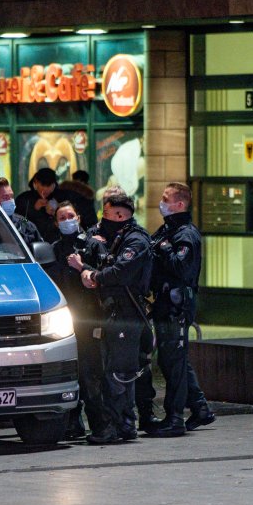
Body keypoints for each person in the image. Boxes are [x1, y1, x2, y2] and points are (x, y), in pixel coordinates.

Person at [70, 190, 152, 444]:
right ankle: (123, 424)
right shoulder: (122, 237)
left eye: (106, 214)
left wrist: (92, 276)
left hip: (127, 312)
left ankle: (118, 427)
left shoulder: (135, 240)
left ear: (119, 214)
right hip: (117, 311)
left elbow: (118, 272)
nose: (102, 219)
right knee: (117, 370)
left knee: (118, 372)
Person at [143, 182, 214, 437]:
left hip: (177, 306)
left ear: (180, 204)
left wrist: (163, 249)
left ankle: (175, 418)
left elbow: (180, 268)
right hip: (165, 303)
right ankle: (200, 407)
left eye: (166, 198)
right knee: (174, 359)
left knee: (173, 361)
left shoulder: (185, 234)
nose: (161, 202)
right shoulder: (167, 230)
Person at [44, 201, 106, 439]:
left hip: (90, 318)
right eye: (62, 217)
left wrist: (83, 267)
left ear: (79, 217)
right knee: (70, 371)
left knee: (91, 373)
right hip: (65, 319)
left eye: (71, 215)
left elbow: (104, 277)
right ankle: (73, 423)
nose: (67, 220)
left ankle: (99, 424)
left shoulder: (92, 245)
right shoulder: (53, 249)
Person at [15, 168, 97, 243]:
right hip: (33, 244)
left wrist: (57, 211)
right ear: (36, 182)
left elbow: (87, 218)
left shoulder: (66, 196)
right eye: (43, 185)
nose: (45, 189)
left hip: (63, 243)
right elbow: (20, 222)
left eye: (49, 185)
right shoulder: (25, 199)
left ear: (54, 184)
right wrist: (34, 209)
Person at [0, 177, 41, 244]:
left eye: (12, 196)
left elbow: (40, 250)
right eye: (5, 197)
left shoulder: (26, 224)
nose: (10, 200)